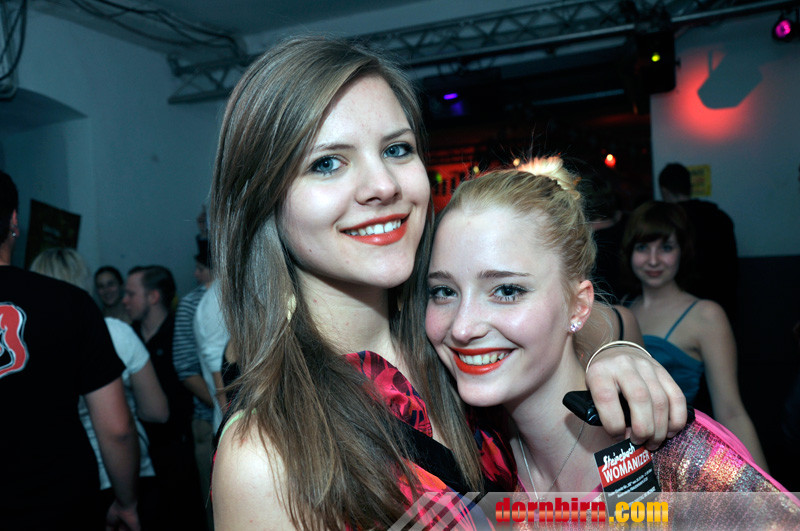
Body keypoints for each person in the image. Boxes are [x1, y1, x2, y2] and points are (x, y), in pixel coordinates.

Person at [209, 36, 685, 530]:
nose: (383, 185)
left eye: (396, 149)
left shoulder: (453, 340)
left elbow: (578, 317)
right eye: (327, 162)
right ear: (262, 199)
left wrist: (617, 354)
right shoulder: (263, 455)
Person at [424, 162, 799, 525]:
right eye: (443, 291)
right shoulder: (468, 459)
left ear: (578, 306)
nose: (462, 327)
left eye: (507, 290)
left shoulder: (679, 461)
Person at [0, 171, 141, 529]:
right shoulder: (70, 303)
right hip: (60, 501)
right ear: (14, 221)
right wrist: (126, 502)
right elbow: (117, 428)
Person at [622, 201, 768, 470]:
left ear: (682, 251)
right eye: (643, 247)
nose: (653, 260)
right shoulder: (619, 311)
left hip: (678, 462)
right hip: (623, 464)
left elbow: (731, 411)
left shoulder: (706, 315)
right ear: (630, 251)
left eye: (666, 248)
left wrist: (765, 489)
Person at [30, 247, 169, 528]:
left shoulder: (24, 343)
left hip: (61, 479)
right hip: (131, 474)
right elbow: (157, 411)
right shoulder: (115, 331)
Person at [124, 265, 207, 530]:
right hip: (143, 451)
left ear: (153, 297)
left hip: (181, 446)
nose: (125, 300)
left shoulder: (181, 333)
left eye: (131, 294)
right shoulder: (129, 336)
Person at [658, 163, 738, 321]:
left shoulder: (667, 223)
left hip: (682, 308)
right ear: (690, 187)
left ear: (664, 191)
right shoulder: (720, 218)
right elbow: (732, 269)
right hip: (723, 302)